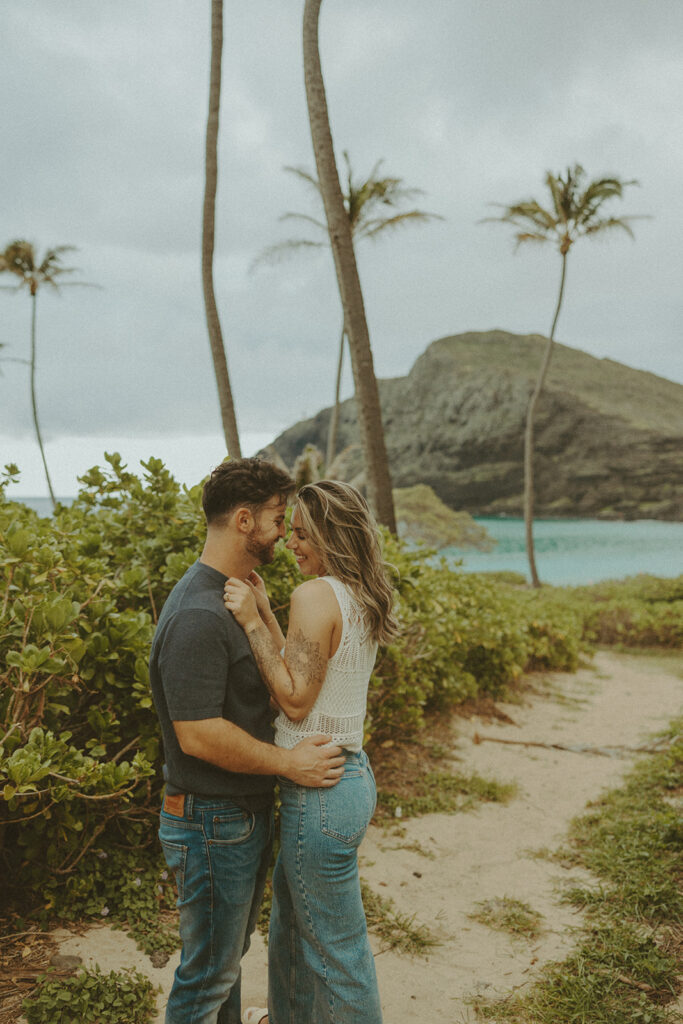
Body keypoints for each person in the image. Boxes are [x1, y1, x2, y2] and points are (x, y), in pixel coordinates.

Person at [149, 459, 346, 1024]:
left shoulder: (232, 597)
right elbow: (197, 735)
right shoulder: (198, 613)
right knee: (207, 975)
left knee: (224, 962)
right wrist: (290, 764)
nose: (284, 533)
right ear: (243, 520)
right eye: (278, 518)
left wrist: (261, 616)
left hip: (233, 815)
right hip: (212, 819)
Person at [224, 479, 399, 1024]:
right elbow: (308, 667)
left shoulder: (315, 594)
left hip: (318, 793)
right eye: (292, 531)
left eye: (302, 534)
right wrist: (268, 617)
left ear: (330, 535)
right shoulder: (358, 593)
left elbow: (296, 700)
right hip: (349, 777)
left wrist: (251, 621)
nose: (292, 544)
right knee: (293, 929)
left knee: (338, 954)